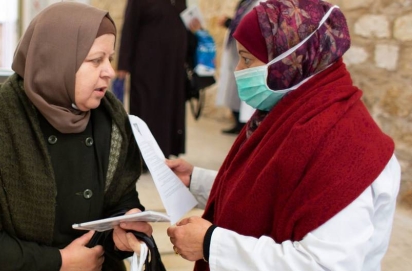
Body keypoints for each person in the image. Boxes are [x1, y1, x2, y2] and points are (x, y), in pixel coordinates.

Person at [166, 0, 401, 270]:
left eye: (246, 59)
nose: (238, 71)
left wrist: (211, 244)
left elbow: (324, 264)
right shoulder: (293, 112)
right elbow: (270, 189)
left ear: (288, 62)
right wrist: (197, 181)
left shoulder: (344, 146)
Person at [0, 3, 152, 271]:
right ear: (59, 59)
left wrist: (125, 225)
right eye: (96, 60)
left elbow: (121, 200)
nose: (109, 71)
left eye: (110, 59)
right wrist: (59, 262)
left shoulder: (111, 117)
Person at [117, 0, 189, 158]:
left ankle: (164, 150)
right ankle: (144, 156)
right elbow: (129, 27)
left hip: (173, 67)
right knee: (146, 106)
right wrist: (123, 63)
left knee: (168, 107)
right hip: (146, 66)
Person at [215, 0, 260, 134]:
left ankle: (244, 124)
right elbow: (239, 23)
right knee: (234, 87)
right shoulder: (245, 2)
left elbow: (251, 26)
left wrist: (229, 22)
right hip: (237, 50)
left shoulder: (261, 2)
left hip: (249, 53)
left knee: (244, 87)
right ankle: (237, 122)